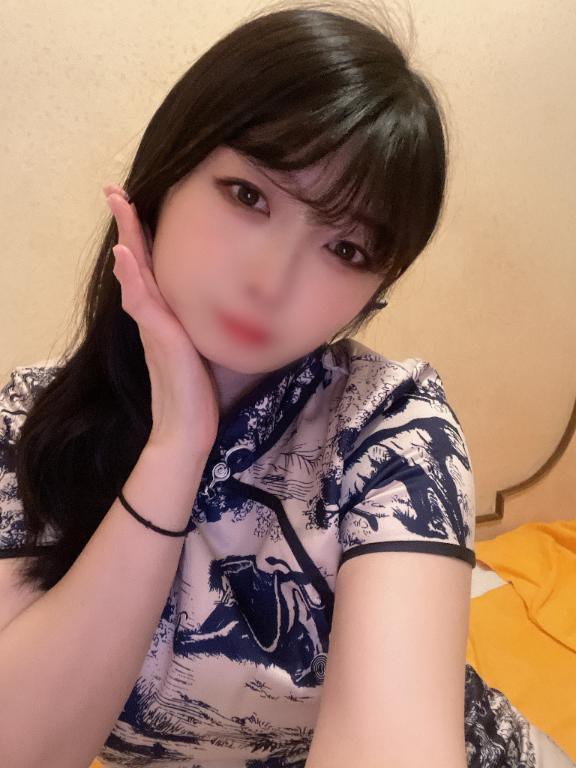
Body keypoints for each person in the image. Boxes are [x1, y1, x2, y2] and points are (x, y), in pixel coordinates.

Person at [0, 2, 573, 767]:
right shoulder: (30, 421)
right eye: (248, 195)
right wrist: (177, 446)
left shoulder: (389, 430)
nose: (271, 282)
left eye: (346, 247)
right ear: (163, 177)